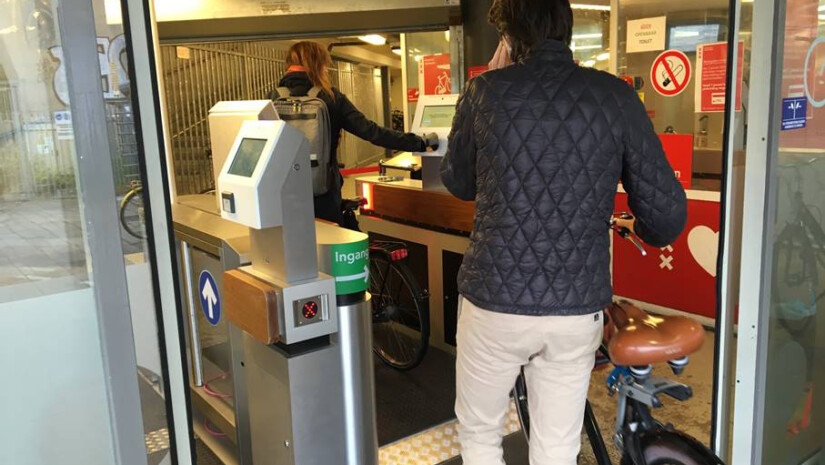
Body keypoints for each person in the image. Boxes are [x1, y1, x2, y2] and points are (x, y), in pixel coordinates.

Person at [440, 0, 687, 464]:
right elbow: (666, 218)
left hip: (494, 301)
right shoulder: (614, 96)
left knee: (480, 435)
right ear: (567, 27)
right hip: (575, 307)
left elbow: (458, 182)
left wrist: (490, 84)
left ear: (509, 36)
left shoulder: (485, 91)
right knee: (556, 447)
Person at [275, 41, 437, 225]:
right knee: (329, 244)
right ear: (319, 64)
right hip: (323, 193)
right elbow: (372, 132)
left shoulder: (271, 98)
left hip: (283, 193)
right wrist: (419, 143)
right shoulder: (330, 98)